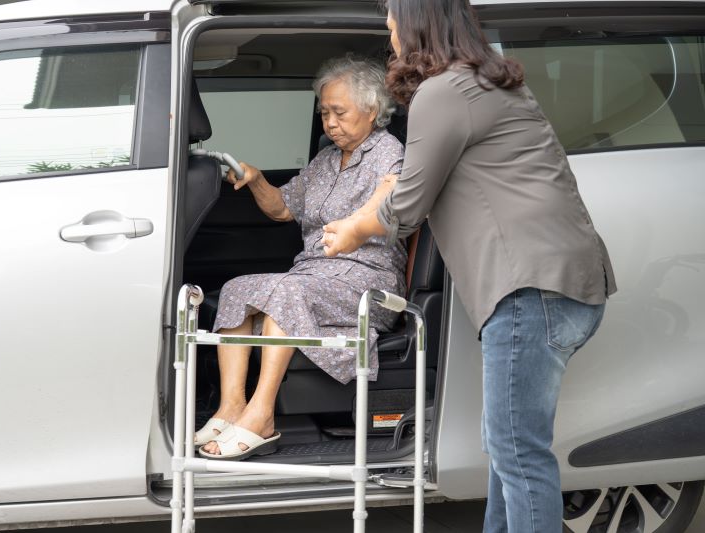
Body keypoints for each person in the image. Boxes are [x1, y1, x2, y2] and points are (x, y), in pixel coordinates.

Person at [321, 1, 617, 531]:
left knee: (518, 452)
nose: (388, 29)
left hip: (531, 291)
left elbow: (408, 206)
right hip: (565, 285)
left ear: (415, 23)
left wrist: (354, 228)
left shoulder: (444, 92)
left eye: (392, 17)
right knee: (506, 447)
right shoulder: (493, 83)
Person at [196, 56, 407, 461]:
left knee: (285, 292)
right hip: (314, 274)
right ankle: (231, 408)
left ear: (374, 110)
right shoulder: (327, 159)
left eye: (339, 112)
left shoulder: (390, 156)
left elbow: (398, 214)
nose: (329, 122)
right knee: (239, 289)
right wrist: (257, 180)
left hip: (368, 277)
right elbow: (283, 209)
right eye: (324, 112)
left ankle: (262, 415)